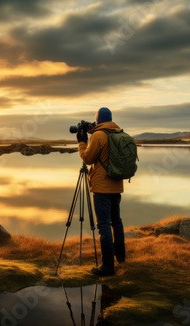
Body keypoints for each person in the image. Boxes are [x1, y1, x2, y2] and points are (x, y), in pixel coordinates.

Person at [76, 107, 125, 277]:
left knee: (103, 225)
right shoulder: (117, 133)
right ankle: (121, 257)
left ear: (98, 120)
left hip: (102, 188)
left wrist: (82, 142)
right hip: (116, 184)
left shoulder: (98, 135)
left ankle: (107, 267)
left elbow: (88, 159)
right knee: (116, 221)